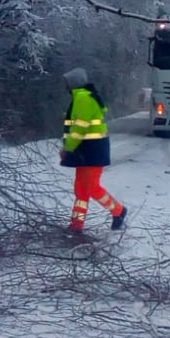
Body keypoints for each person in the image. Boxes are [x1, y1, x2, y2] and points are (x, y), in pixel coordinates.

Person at [60, 67, 126, 232]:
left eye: (67, 83)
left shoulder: (83, 99)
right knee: (81, 189)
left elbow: (79, 128)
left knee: (91, 187)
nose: (65, 86)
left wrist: (68, 148)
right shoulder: (83, 97)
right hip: (88, 150)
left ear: (73, 84)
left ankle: (118, 210)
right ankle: (77, 225)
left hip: (92, 150)